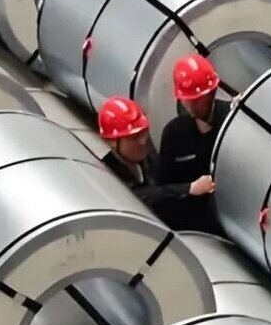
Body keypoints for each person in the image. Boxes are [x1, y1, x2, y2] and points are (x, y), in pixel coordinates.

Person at [97, 94, 208, 228]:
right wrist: (189, 188)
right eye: (135, 137)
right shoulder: (109, 178)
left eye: (144, 132)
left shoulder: (142, 153)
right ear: (112, 142)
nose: (143, 141)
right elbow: (143, 195)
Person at [152, 52, 228, 234]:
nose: (192, 106)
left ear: (211, 93)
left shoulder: (231, 120)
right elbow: (162, 190)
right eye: (187, 99)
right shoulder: (174, 133)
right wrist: (190, 189)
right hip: (194, 227)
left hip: (231, 218)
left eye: (198, 99)